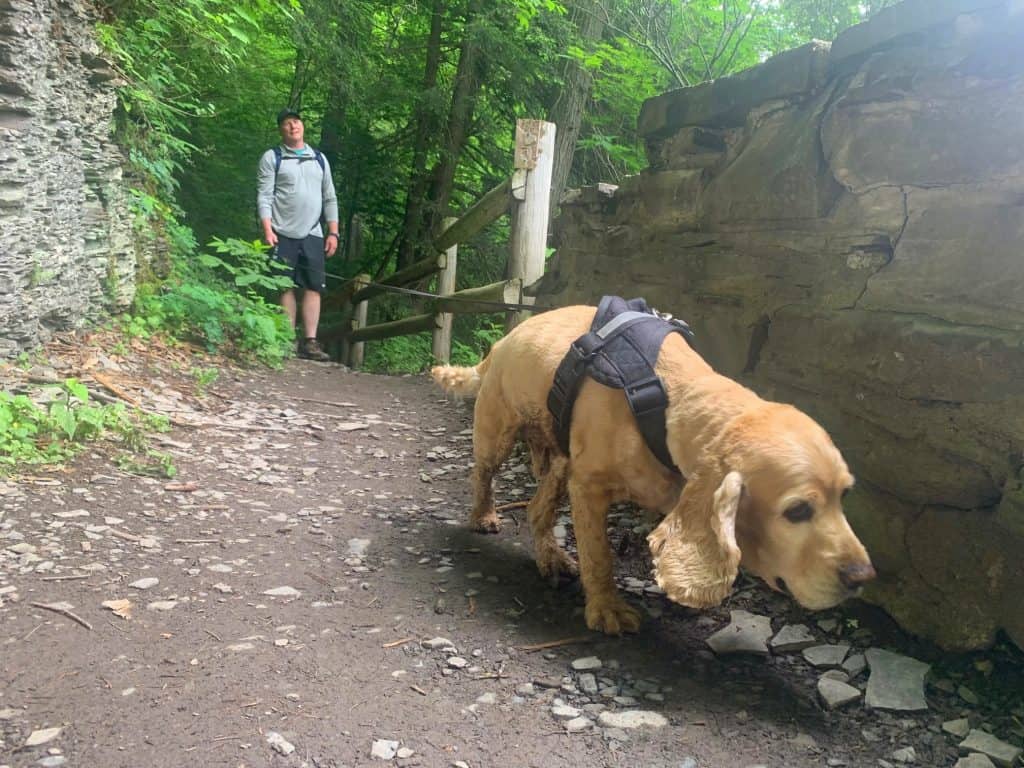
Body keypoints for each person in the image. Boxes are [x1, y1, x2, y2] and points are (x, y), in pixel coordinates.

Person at [257, 108, 340, 361]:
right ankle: (287, 339)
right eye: (287, 123)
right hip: (281, 233)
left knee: (314, 286)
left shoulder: (319, 159)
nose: (293, 126)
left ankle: (310, 342)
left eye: (296, 122)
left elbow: (330, 196)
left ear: (303, 126)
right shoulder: (273, 158)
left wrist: (333, 232)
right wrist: (267, 229)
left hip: (313, 232)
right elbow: (264, 196)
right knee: (285, 286)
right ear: (280, 130)